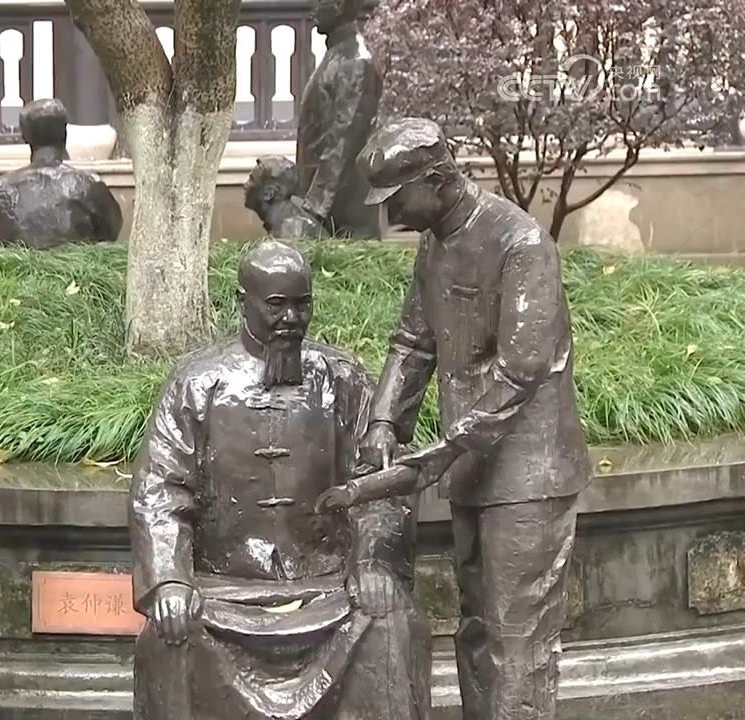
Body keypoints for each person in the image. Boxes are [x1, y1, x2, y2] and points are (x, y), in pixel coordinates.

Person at [320, 117, 591, 720]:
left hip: (529, 475)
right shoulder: (435, 241)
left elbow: (522, 369)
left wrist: (441, 451)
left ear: (437, 181)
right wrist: (385, 422)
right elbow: (413, 342)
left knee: (517, 640)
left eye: (397, 198)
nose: (389, 213)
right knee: (476, 629)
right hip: (472, 467)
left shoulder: (521, 244)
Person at [130, 239, 431, 720]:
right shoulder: (196, 383)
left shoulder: (342, 378)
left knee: (391, 623)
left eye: (301, 304)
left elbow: (382, 484)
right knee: (170, 634)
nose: (291, 318)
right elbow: (160, 489)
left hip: (327, 589)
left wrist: (374, 561)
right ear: (243, 302)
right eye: (276, 305)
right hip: (224, 591)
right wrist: (169, 580)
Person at [293, 0, 384, 240]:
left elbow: (344, 141)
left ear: (340, 5)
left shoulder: (357, 62)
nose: (313, 8)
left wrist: (315, 205)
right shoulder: (338, 55)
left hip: (344, 216)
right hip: (328, 212)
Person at [0, 98, 123, 248]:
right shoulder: (89, 186)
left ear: (25, 136)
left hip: (18, 263)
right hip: (76, 262)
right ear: (65, 134)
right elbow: (111, 232)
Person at [244, 155, 327, 239]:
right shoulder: (282, 222)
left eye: (251, 180)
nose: (245, 185)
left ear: (269, 193)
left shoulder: (292, 229)